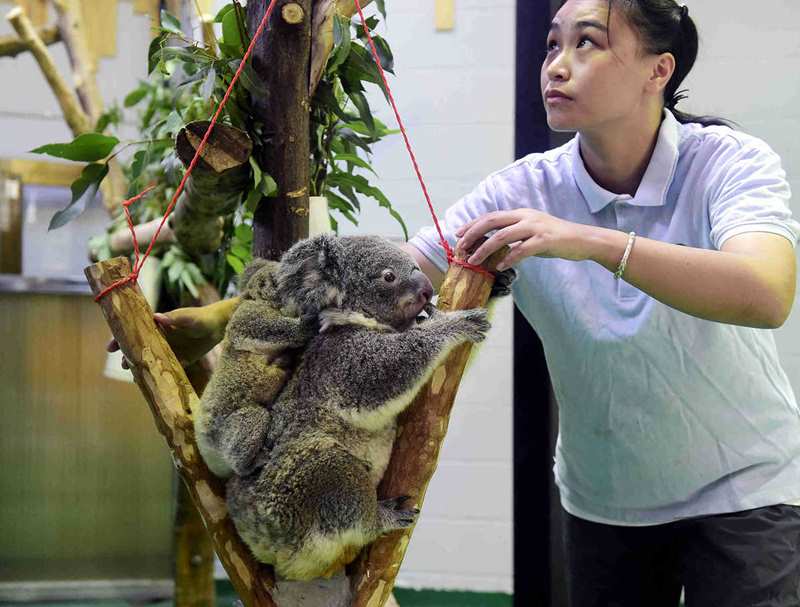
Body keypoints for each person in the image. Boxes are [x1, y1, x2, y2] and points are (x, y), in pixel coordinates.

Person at [110, 0, 800, 604]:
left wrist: (586, 240)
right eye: (551, 43)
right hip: (606, 500)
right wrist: (215, 322)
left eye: (587, 42)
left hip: (744, 489)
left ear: (659, 71)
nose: (556, 64)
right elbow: (377, 279)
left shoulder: (727, 162)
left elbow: (766, 293)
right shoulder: (520, 189)